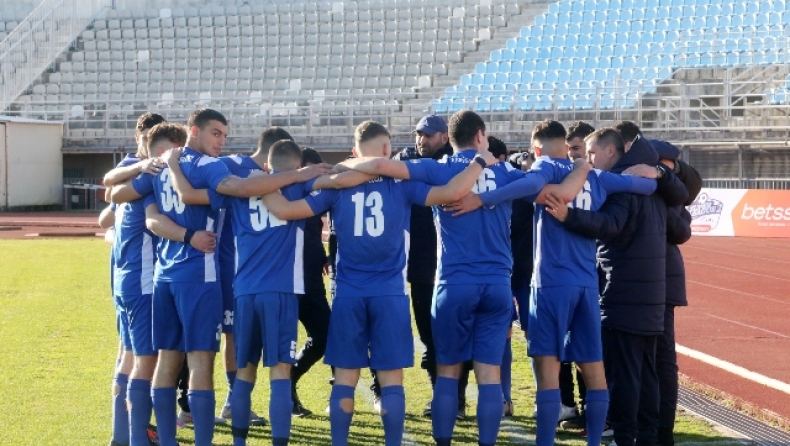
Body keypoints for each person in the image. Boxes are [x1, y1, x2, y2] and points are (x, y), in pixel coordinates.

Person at [334, 111, 589, 446]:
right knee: (489, 375)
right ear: (481, 136)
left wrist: (343, 165)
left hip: (453, 284)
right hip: (496, 284)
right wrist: (582, 167)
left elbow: (381, 165)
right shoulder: (505, 172)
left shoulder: (439, 168)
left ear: (450, 139)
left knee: (448, 373)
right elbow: (552, 194)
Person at [260, 121, 497, 446]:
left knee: (345, 379)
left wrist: (262, 182)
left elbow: (286, 210)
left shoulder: (337, 187)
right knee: (391, 381)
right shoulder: (402, 184)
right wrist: (480, 161)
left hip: (348, 294)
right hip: (390, 294)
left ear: (355, 152)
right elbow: (453, 193)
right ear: (387, 150)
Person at [109, 109, 329, 446]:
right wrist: (299, 174)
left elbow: (122, 199)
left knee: (166, 360)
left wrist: (149, 169)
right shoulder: (207, 166)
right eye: (215, 133)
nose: (221, 141)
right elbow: (238, 187)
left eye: (224, 135)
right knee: (200, 362)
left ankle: (157, 440)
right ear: (194, 131)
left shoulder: (163, 166)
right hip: (200, 275)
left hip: (164, 276)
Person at [446, 120, 660, 446]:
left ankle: (545, 441)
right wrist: (655, 173)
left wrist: (483, 199)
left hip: (550, 283)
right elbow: (646, 188)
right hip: (587, 285)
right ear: (566, 144)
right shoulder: (595, 176)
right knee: (594, 370)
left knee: (548, 372)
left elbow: (529, 185)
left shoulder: (544, 168)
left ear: (536, 148)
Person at [545, 129, 689, 446]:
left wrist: (569, 216)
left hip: (623, 294)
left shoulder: (624, 185)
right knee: (648, 374)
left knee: (625, 377)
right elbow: (681, 219)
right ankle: (650, 438)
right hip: (652, 296)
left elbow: (609, 224)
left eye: (592, 153)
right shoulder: (654, 186)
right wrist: (663, 174)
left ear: (612, 150)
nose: (588, 159)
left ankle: (624, 437)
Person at [387, 114, 471, 419]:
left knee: (456, 335)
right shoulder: (405, 160)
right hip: (421, 266)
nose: (422, 140)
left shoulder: (454, 164)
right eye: (419, 134)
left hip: (454, 264)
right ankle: (442, 397)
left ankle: (456, 398)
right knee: (429, 336)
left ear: (445, 137)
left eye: (429, 135)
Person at [102, 112, 165, 446]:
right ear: (139, 138)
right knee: (143, 360)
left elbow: (109, 203)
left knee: (129, 355)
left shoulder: (133, 171)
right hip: (141, 279)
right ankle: (135, 434)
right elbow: (109, 187)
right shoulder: (140, 170)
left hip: (126, 277)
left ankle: (124, 433)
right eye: (146, 138)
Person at [638, 140, 702, 446]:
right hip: (656, 280)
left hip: (658, 281)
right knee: (655, 359)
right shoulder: (670, 189)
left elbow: (681, 229)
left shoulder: (670, 188)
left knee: (658, 360)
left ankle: (657, 432)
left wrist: (668, 169)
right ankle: (653, 431)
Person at [558, 120, 597, 430]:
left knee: (587, 350)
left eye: (577, 148)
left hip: (591, 274)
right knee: (560, 348)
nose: (572, 154)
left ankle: (589, 411)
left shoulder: (601, 180)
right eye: (568, 149)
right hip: (561, 276)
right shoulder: (558, 176)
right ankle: (567, 406)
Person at [291, 147, 333, 417]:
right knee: (279, 345)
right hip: (283, 279)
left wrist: (325, 256)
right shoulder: (281, 192)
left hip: (310, 280)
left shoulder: (318, 196)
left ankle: (291, 379)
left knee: (325, 336)